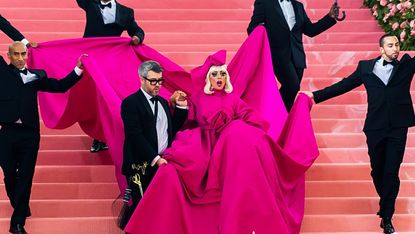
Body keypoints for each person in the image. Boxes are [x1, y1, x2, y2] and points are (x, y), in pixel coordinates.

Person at [124, 60, 318, 234]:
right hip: (205, 148)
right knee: (172, 174)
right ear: (209, 78)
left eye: (223, 74)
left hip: (230, 150)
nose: (219, 77)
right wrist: (180, 105)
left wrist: (232, 125)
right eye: (215, 74)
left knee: (240, 136)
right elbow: (188, 121)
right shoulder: (199, 98)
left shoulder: (233, 99)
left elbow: (252, 119)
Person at [301, 34, 415, 234]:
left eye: (397, 44)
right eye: (390, 45)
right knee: (377, 170)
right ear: (381, 49)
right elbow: (343, 86)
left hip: (398, 126)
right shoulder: (365, 68)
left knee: (391, 172)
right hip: (375, 126)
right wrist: (315, 96)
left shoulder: (406, 65)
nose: (395, 48)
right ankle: (385, 200)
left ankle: (387, 218)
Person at [0, 16, 86, 234]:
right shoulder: (2, 72)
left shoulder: (36, 76)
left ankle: (17, 224)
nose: (20, 58)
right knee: (10, 175)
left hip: (30, 135)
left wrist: (77, 70)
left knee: (26, 177)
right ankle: (19, 202)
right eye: (16, 54)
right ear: (8, 56)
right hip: (7, 133)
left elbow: (59, 86)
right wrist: (23, 39)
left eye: (23, 54)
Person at [120, 60, 188, 228]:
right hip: (140, 165)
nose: (157, 85)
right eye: (153, 81)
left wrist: (181, 107)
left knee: (157, 208)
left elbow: (170, 129)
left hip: (161, 165)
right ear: (142, 79)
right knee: (142, 207)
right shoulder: (130, 103)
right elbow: (135, 136)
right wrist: (155, 158)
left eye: (160, 81)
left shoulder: (163, 102)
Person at [76, 0, 145, 152]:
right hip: (91, 59)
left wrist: (137, 38)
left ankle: (102, 137)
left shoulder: (126, 12)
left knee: (107, 97)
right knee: (94, 98)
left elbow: (137, 30)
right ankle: (98, 135)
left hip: (110, 61)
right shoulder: (90, 3)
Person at [247, 0, 340, 111]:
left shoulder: (298, 6)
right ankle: (274, 115)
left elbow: (310, 30)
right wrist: (264, 37)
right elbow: (252, 28)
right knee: (293, 86)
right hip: (278, 55)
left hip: (297, 56)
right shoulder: (265, 3)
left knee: (291, 91)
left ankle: (279, 120)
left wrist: (330, 17)